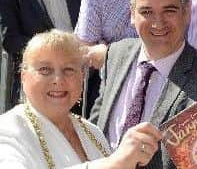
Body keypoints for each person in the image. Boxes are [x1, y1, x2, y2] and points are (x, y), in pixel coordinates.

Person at [90, 0, 197, 168]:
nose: (158, 22)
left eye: (169, 10)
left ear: (186, 13)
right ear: (132, 14)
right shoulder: (116, 54)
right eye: (146, 11)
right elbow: (95, 129)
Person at [0, 30, 161, 168]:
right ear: (23, 76)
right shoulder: (8, 130)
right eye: (45, 70)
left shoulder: (92, 131)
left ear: (82, 77)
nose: (58, 79)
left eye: (68, 70)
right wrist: (115, 163)